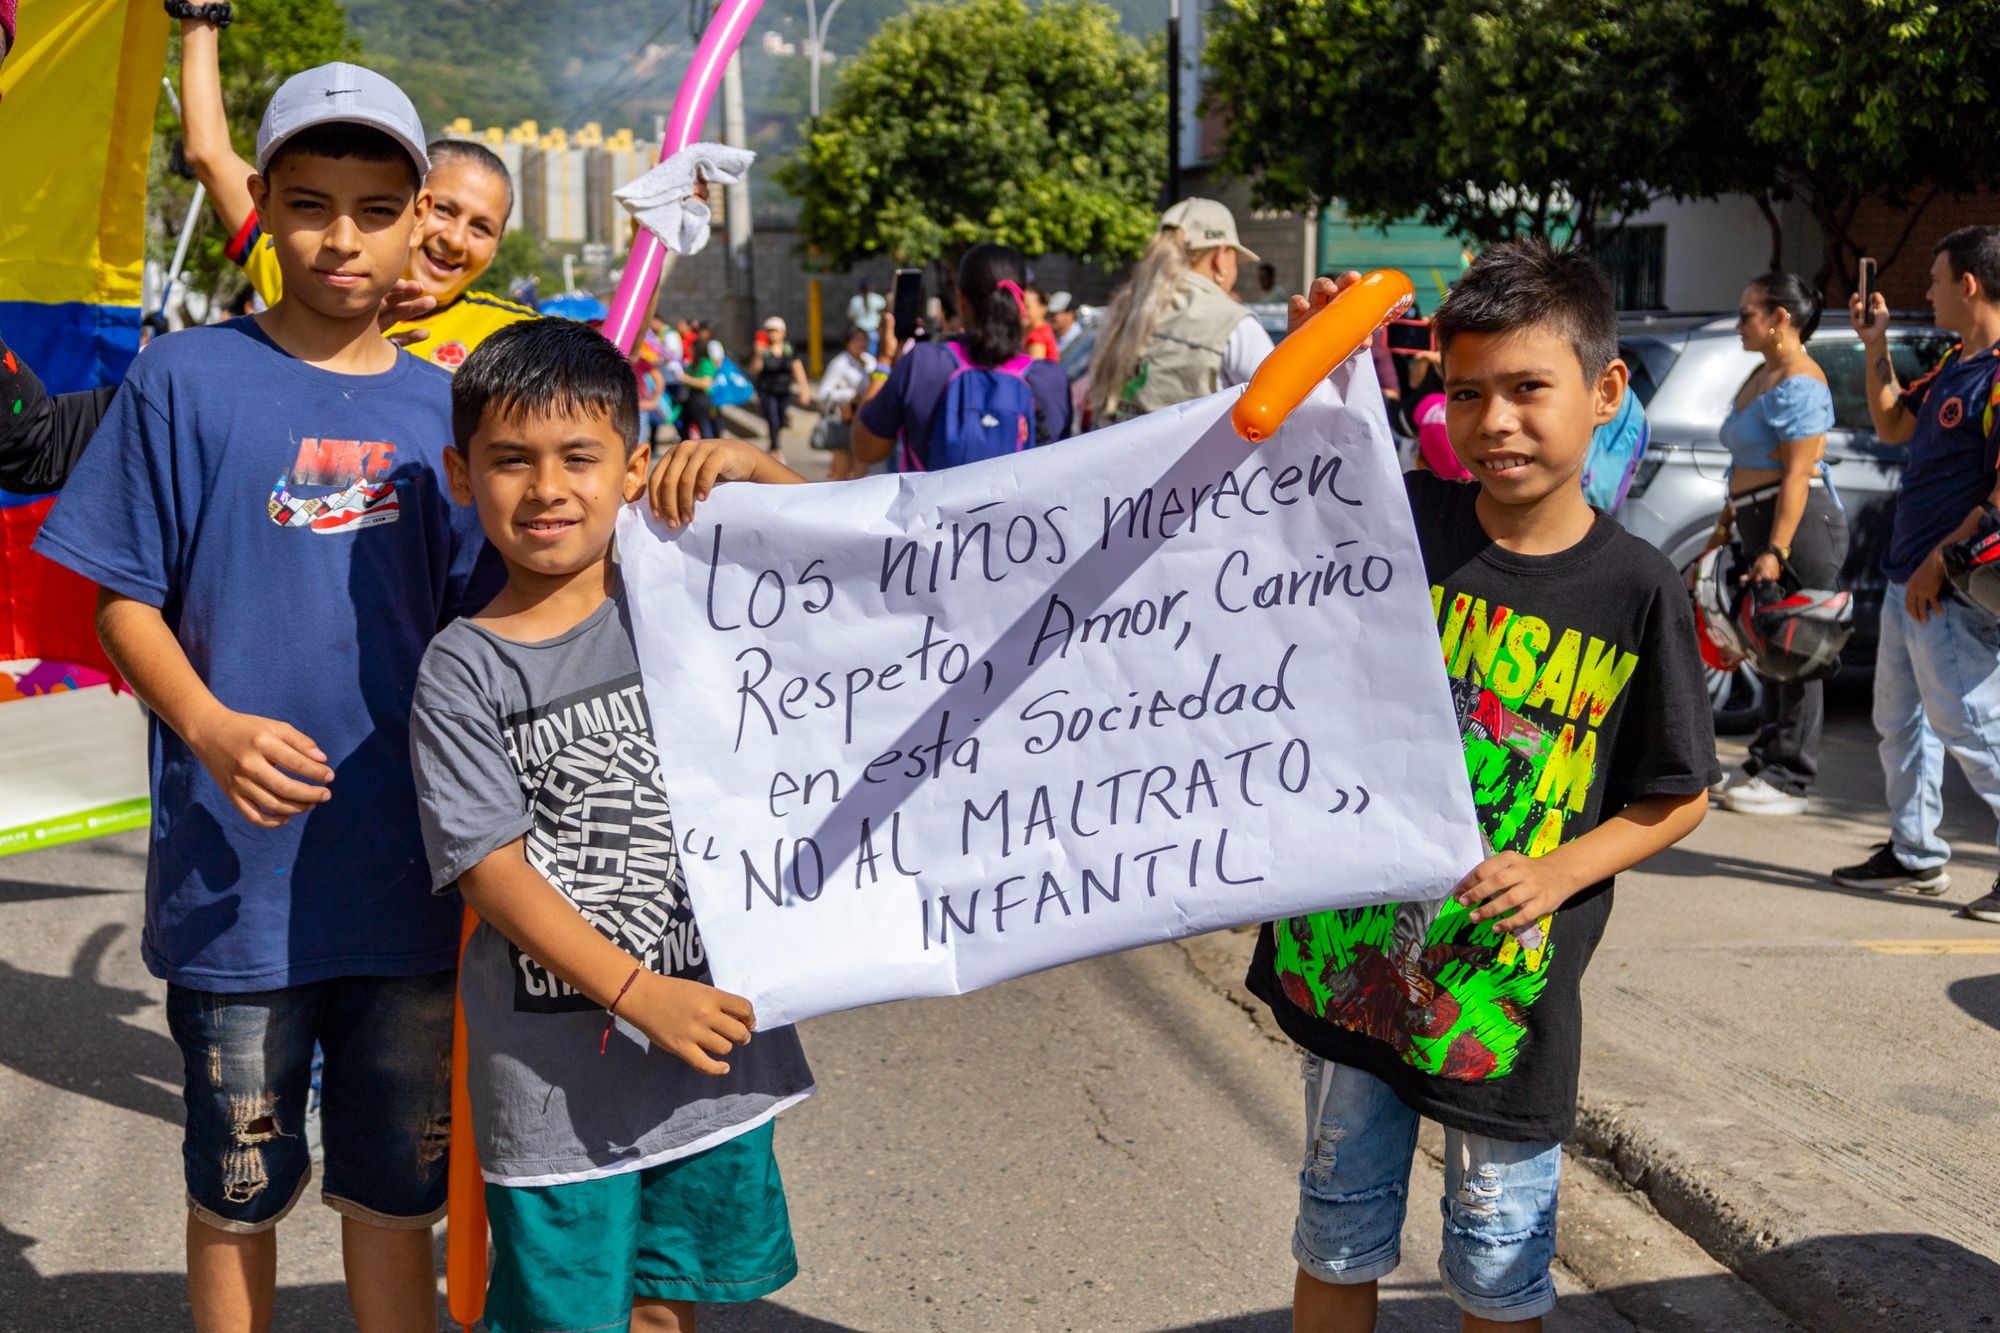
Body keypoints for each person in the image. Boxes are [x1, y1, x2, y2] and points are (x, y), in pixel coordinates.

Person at [32, 65, 495, 1331]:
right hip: (235, 890)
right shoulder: (183, 380)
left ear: (417, 222)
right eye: (308, 202)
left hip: (412, 886)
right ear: (267, 213)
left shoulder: (449, 412)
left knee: (397, 1194)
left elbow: (511, 603)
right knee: (237, 1190)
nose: (340, 236)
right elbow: (120, 595)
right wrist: (211, 723)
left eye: (373, 206)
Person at [1247, 242, 1715, 1333]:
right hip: (1353, 977)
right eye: (1466, 392)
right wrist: (1313, 361)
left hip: (1502, 1009)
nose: (1494, 418)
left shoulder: (1637, 588)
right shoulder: (1400, 520)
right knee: (1335, 1229)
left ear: (1603, 393)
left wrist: (1558, 870)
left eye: (1525, 388)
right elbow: (1273, 495)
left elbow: (1676, 791)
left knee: (1499, 1270)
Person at [415, 319, 814, 1333]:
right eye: (510, 460)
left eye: (578, 456)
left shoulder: (688, 597)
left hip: (710, 1065)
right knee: (566, 1314)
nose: (546, 487)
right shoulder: (464, 667)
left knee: (669, 1301)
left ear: (634, 464)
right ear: (463, 475)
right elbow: (490, 869)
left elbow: (858, 588)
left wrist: (757, 467)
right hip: (557, 1094)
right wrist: (641, 994)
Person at [177, 10, 536, 369]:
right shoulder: (307, 260)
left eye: (481, 228)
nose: (456, 240)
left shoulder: (518, 337)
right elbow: (209, 154)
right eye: (447, 210)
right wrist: (199, 16)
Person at [1836, 226, 2000, 918]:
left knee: (1971, 722)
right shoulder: (1953, 366)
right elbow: (1893, 424)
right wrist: (1875, 345)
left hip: (1949, 584)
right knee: (1899, 722)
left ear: (1968, 285)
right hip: (1910, 576)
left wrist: (1944, 559)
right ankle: (1915, 851)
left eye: (1934, 280)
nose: (1927, 292)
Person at [1706, 272, 1843, 816]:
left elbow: (1795, 474)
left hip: (1801, 527)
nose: (1739, 324)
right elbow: (1744, 465)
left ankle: (1791, 776)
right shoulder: (1764, 373)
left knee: (1800, 647)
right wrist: (1728, 523)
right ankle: (1766, 760)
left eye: (1747, 314)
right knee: (1767, 645)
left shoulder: (1802, 382)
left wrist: (1778, 549)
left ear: (1780, 318)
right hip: (1758, 519)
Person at [852, 242, 1073, 470]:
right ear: (1021, 301)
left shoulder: (924, 363)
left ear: (961, 301)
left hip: (929, 506)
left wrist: (885, 363)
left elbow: (866, 449)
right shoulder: (1050, 379)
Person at [1088, 197, 1272, 424]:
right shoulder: (1232, 323)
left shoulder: (1125, 309)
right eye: (1235, 257)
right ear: (1220, 257)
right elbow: (1287, 416)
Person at [814, 325, 875, 480]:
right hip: (844, 421)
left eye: (864, 339)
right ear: (848, 342)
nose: (862, 343)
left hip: (864, 419)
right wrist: (850, 395)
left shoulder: (870, 361)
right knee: (843, 472)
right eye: (857, 339)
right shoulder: (840, 363)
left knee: (862, 469)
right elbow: (823, 393)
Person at [748, 316, 812, 457]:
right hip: (767, 390)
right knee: (772, 418)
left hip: (783, 390)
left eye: (775, 331)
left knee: (781, 418)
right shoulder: (764, 351)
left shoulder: (788, 349)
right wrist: (758, 355)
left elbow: (798, 369)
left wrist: (804, 389)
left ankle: (774, 446)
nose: (772, 334)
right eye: (769, 331)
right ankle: (775, 448)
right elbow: (754, 370)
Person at [846, 278, 886, 355]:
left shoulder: (855, 300)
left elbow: (850, 317)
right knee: (872, 355)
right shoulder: (878, 299)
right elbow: (882, 316)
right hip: (873, 331)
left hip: (859, 331)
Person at [1022, 283, 1061, 362]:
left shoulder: (1038, 337)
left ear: (1042, 309)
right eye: (1020, 306)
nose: (1022, 311)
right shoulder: (1043, 330)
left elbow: (1035, 370)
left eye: (1027, 307)